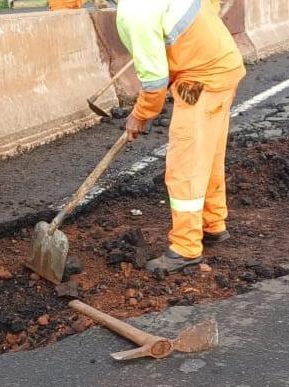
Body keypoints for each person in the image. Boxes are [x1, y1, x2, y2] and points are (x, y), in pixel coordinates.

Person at [116, 0, 245, 274]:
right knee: (208, 156)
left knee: (184, 167)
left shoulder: (134, 13)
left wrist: (139, 115)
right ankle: (213, 224)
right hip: (223, 68)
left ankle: (186, 248)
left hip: (201, 81)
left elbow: (154, 83)